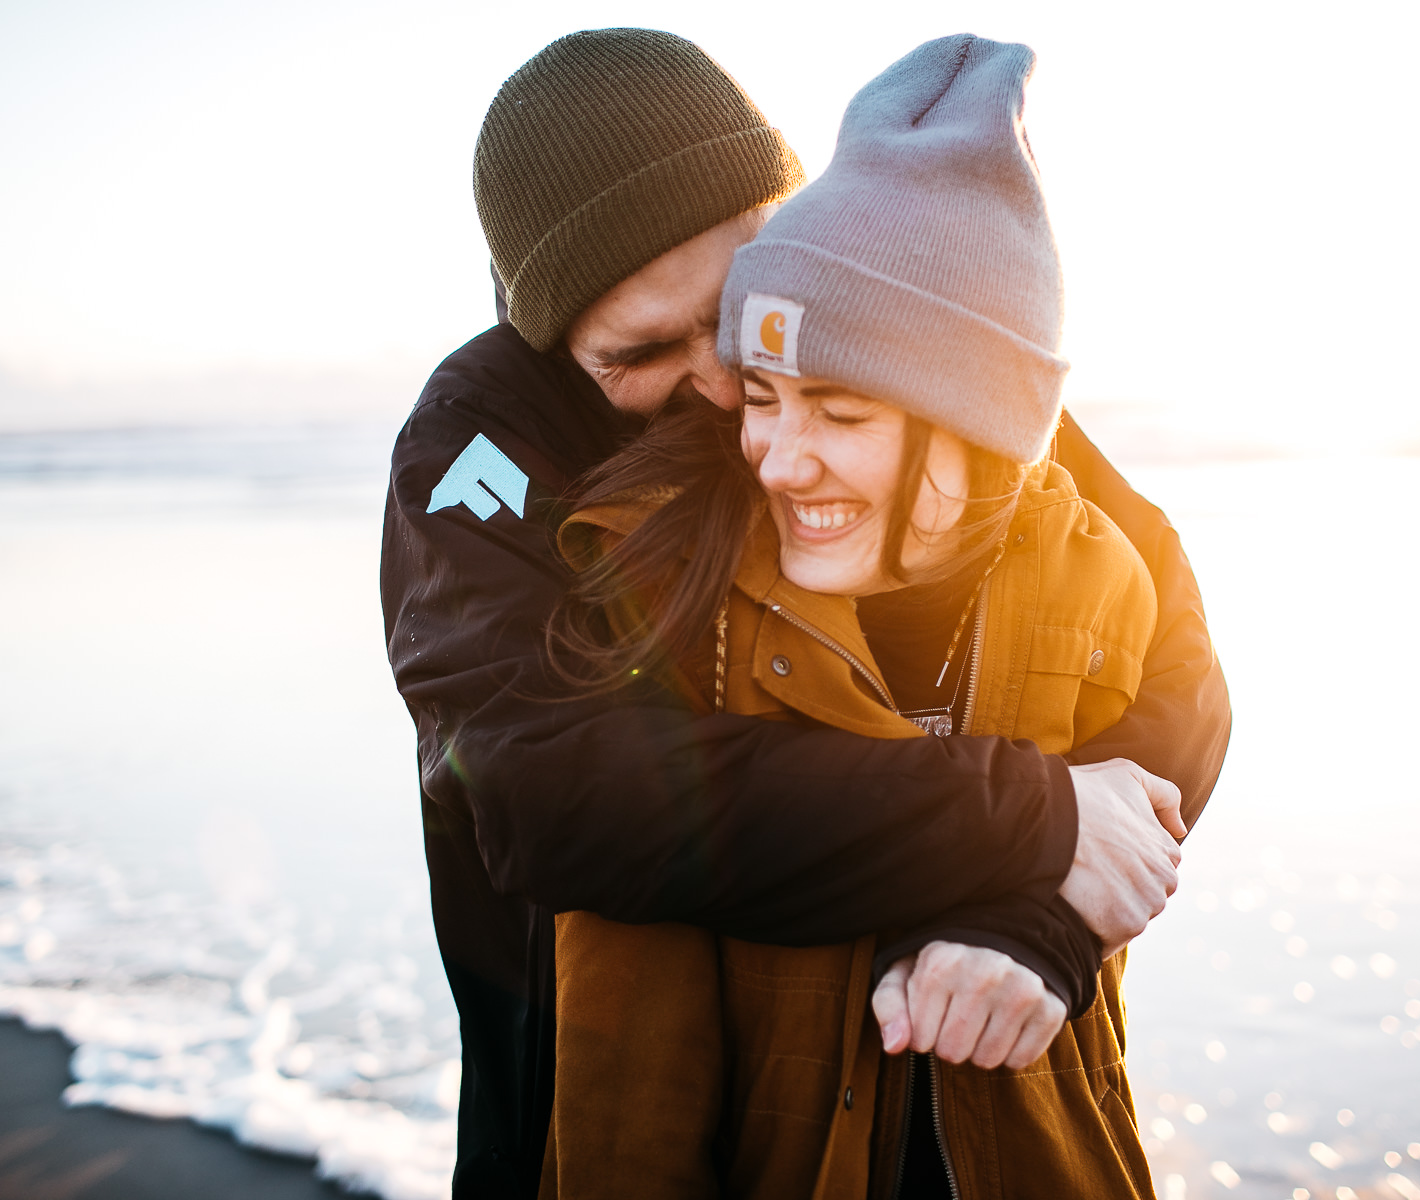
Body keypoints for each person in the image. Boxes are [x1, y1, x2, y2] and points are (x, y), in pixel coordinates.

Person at [379, 27, 1230, 1197]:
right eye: (643, 351)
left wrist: (1047, 923)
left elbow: (1164, 633)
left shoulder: (864, 330)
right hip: (578, 1088)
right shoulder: (480, 446)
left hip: (932, 1092)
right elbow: (544, 793)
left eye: (733, 310)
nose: (725, 384)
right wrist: (1025, 815)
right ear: (554, 342)